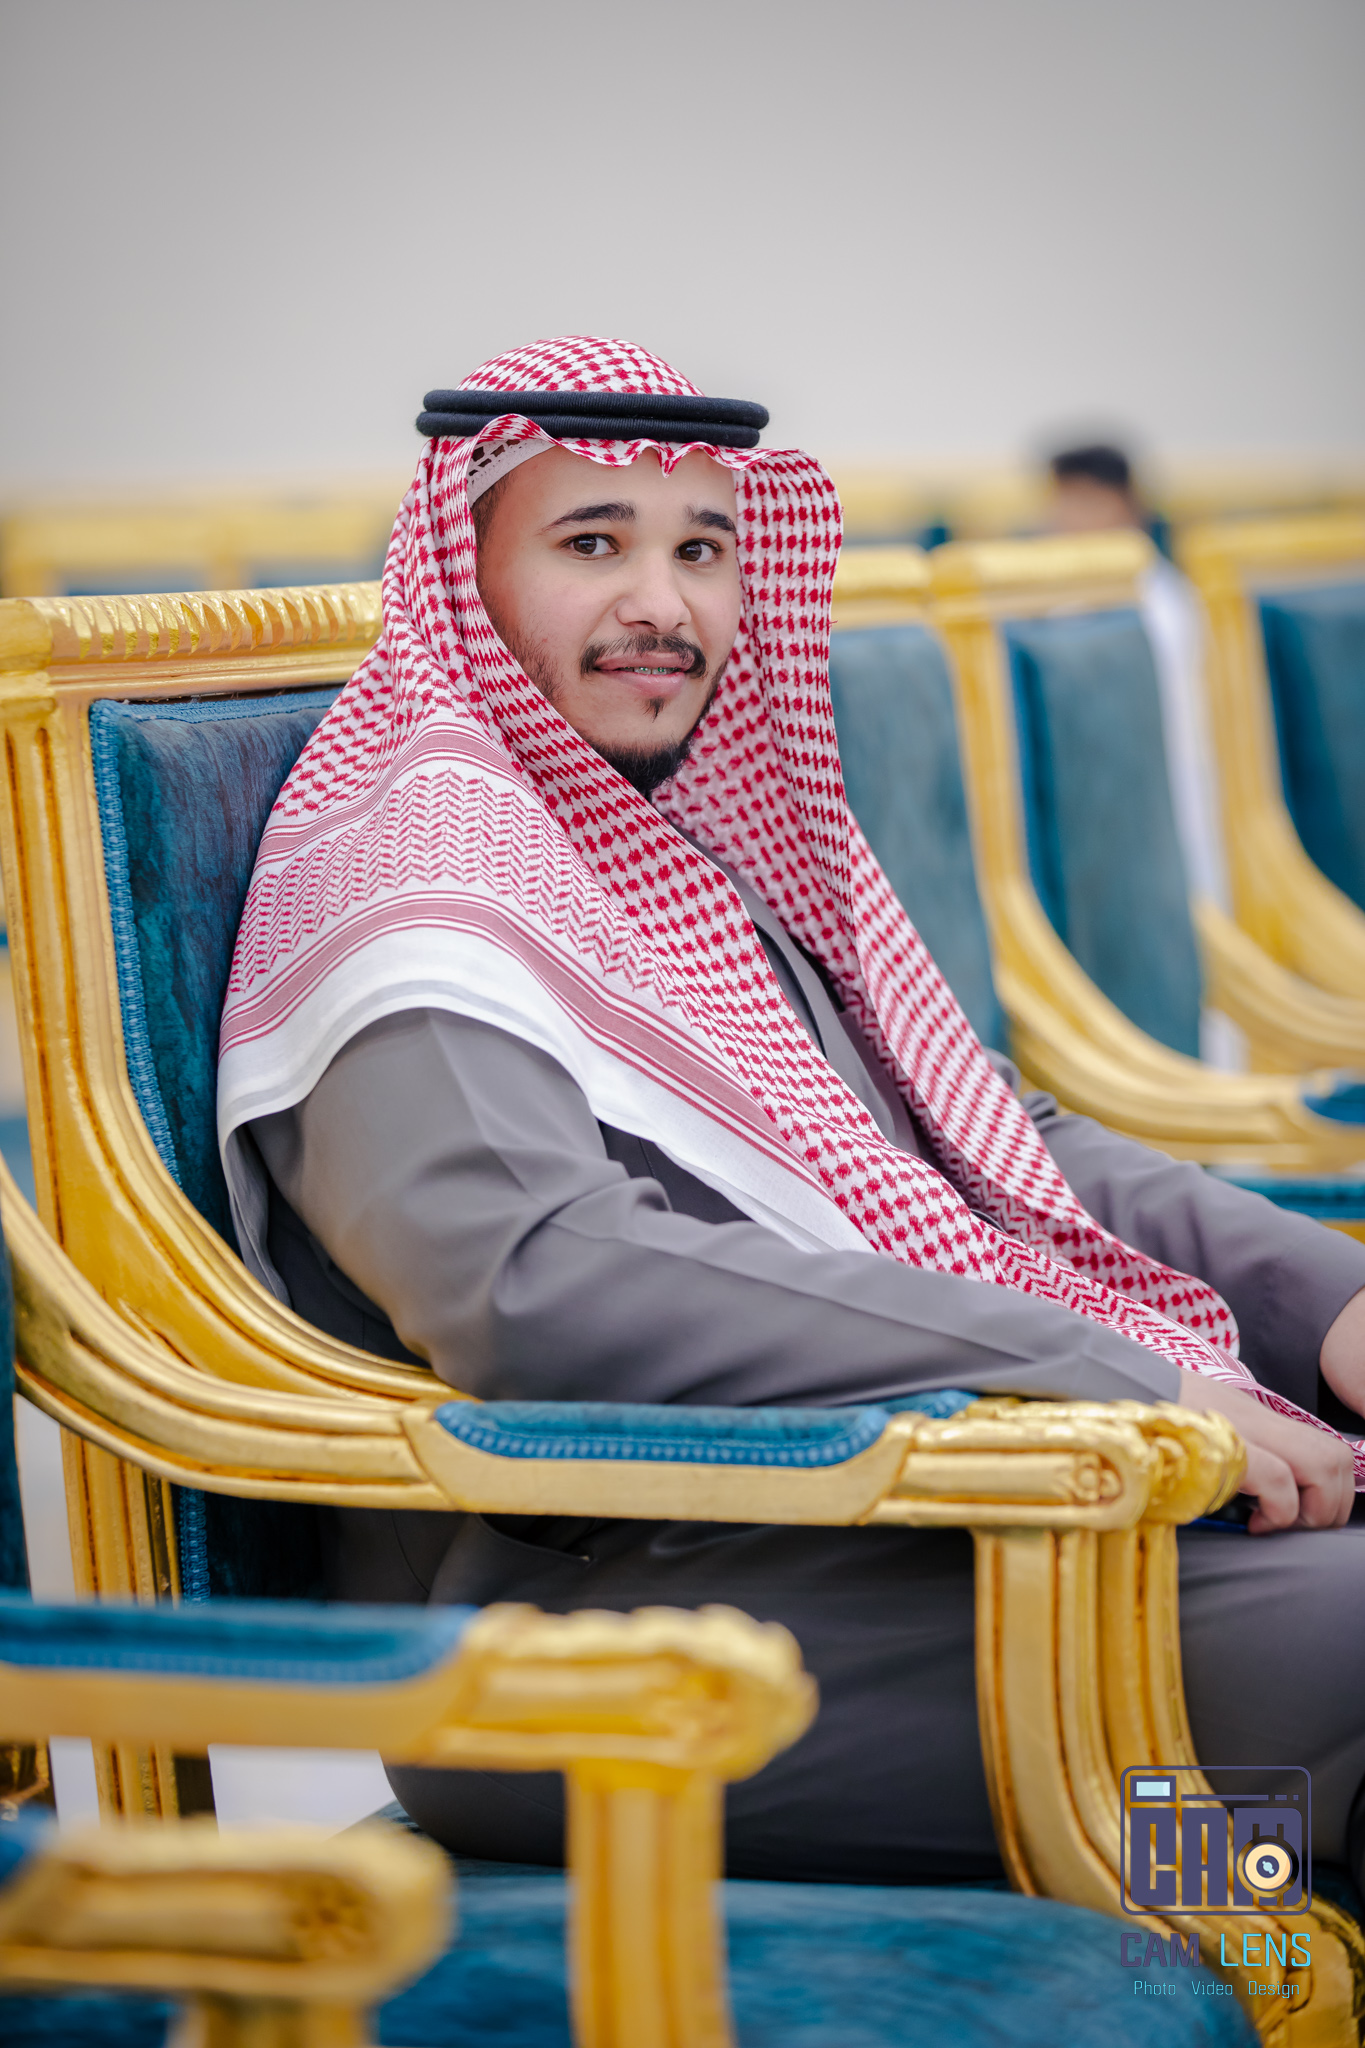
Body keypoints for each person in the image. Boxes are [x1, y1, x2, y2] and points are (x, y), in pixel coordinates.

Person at [220, 340, 1365, 1888]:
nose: (663, 604)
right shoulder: (419, 885)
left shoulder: (666, 849)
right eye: (591, 543)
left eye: (702, 550)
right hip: (604, 1630)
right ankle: (1217, 1908)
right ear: (461, 573)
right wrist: (1120, 1378)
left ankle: (1242, 1908)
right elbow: (541, 1287)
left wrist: (1324, 1305)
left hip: (915, 1513)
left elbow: (983, 1141)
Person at [1045, 443, 1243, 1069]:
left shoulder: (1161, 608)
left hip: (1171, 807)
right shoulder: (1066, 599)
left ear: (1127, 505)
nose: (1067, 519)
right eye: (1061, 502)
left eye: (1085, 501)